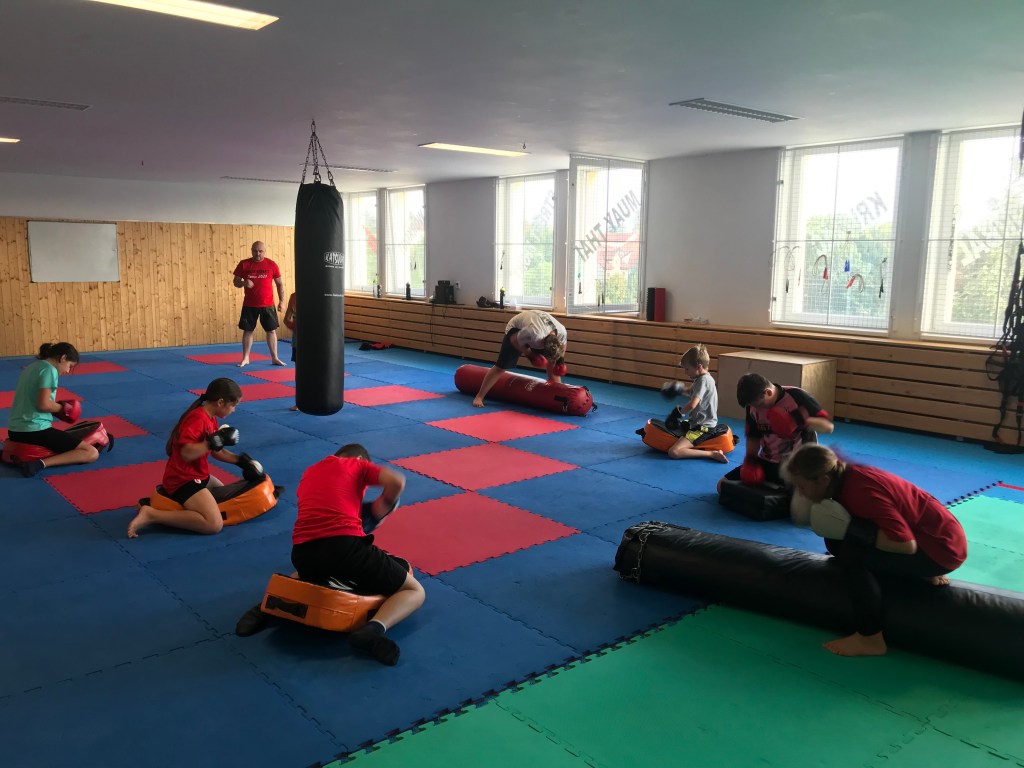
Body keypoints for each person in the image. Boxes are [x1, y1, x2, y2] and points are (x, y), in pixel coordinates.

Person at [237, 443, 425, 666]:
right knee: (414, 591)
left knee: (313, 572)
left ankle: (267, 606)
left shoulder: (310, 471)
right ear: (359, 459)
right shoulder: (356, 465)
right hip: (344, 550)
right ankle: (372, 631)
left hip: (302, 554)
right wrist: (383, 505)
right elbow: (397, 481)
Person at [783, 443, 967, 658]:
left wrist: (853, 530)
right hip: (933, 534)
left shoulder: (860, 492)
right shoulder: (840, 473)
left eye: (802, 487)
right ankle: (921, 573)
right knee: (834, 542)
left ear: (823, 480)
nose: (801, 493)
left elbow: (905, 544)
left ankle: (870, 638)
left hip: (941, 548)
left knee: (852, 555)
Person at [128, 378, 244, 538]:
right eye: (233, 405)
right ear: (220, 402)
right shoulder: (197, 418)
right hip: (182, 479)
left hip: (199, 475)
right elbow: (187, 453)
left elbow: (217, 451)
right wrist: (211, 442)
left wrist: (241, 461)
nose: (234, 410)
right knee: (214, 524)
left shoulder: (211, 418)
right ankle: (152, 514)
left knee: (224, 499)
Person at [717, 372, 834, 508]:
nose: (757, 408)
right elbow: (753, 437)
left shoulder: (797, 396)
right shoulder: (752, 407)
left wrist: (796, 420)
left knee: (801, 507)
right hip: (767, 461)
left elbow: (828, 427)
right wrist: (751, 461)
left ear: (768, 392)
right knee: (722, 486)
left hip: (796, 465)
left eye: (759, 404)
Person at [6, 342, 99, 478]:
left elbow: (35, 402)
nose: (68, 370)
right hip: (34, 430)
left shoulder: (32, 367)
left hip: (14, 431)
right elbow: (43, 404)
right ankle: (39, 464)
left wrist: (58, 409)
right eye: (69, 365)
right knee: (91, 452)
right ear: (63, 358)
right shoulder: (49, 370)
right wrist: (65, 409)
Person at [473, 309, 568, 407]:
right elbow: (514, 340)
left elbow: (563, 345)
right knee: (501, 366)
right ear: (542, 344)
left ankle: (557, 399)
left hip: (537, 324)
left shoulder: (561, 331)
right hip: (516, 328)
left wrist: (560, 361)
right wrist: (530, 355)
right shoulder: (534, 333)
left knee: (553, 364)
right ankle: (479, 397)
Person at [660, 343, 728, 463]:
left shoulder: (703, 381)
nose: (685, 372)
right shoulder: (703, 379)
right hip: (698, 423)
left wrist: (678, 413)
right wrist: (678, 389)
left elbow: (693, 404)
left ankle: (712, 454)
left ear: (698, 366)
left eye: (687, 369)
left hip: (702, 428)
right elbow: (691, 392)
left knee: (674, 452)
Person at [233, 240, 286, 368]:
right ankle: (246, 358)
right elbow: (235, 282)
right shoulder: (244, 264)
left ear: (264, 251)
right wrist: (244, 283)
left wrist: (282, 301)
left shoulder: (271, 264)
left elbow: (279, 284)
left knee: (271, 331)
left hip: (268, 305)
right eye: (255, 251)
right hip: (249, 305)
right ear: (251, 251)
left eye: (260, 251)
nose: (258, 254)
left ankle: (274, 358)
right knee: (247, 331)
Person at [283, 292, 299, 411]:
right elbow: (286, 320)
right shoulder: (295, 296)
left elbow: (286, 320)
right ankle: (300, 402)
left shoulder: (319, 294)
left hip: (316, 340)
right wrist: (296, 327)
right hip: (299, 341)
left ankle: (302, 402)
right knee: (300, 372)